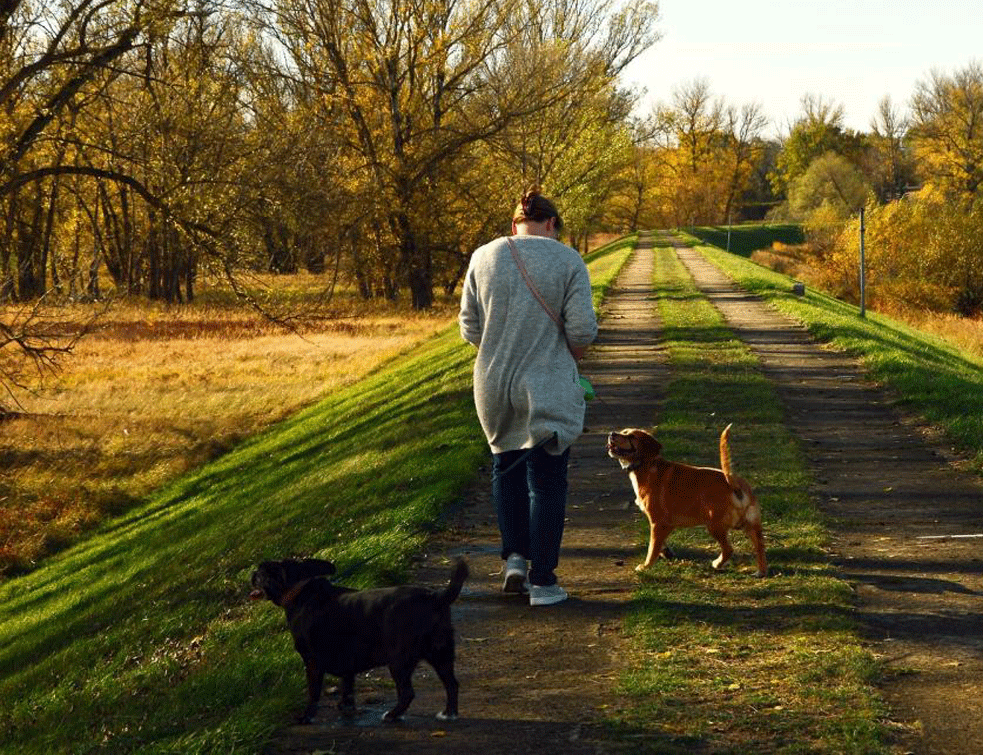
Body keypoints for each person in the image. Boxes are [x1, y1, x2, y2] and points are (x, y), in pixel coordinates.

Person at [459, 186, 598, 606]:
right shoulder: (568, 260)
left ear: (514, 224)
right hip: (546, 383)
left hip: (493, 384)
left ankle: (515, 560)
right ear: (552, 223)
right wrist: (563, 357)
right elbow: (581, 332)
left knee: (506, 470)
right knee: (548, 481)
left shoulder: (483, 257)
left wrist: (502, 348)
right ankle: (543, 582)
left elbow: (469, 327)